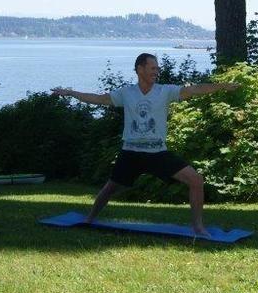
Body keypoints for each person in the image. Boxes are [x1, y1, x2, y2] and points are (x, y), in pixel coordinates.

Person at [52, 53, 238, 236]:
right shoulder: (127, 93)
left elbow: (194, 90)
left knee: (196, 180)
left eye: (157, 68)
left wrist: (222, 86)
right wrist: (71, 93)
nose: (156, 71)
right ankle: (90, 218)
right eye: (152, 68)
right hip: (131, 153)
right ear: (140, 69)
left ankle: (198, 227)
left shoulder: (165, 91)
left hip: (157, 154)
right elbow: (99, 99)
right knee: (110, 188)